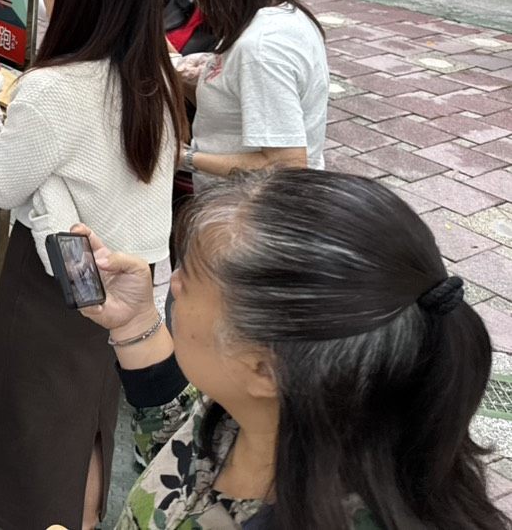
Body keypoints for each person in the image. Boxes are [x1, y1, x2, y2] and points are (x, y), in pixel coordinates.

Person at [74, 169, 507, 530]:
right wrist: (134, 322)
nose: (174, 284)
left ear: (264, 370)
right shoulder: (266, 420)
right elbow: (182, 451)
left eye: (189, 282)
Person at [0, 0, 187, 530]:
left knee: (45, 421)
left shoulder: (53, 88)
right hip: (135, 275)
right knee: (92, 416)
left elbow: (0, 182)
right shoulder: (154, 71)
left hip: (66, 273)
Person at [172, 0, 329, 184]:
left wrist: (183, 158)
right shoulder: (278, 15)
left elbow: (287, 165)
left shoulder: (262, 48)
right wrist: (201, 81)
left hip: (247, 206)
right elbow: (238, 111)